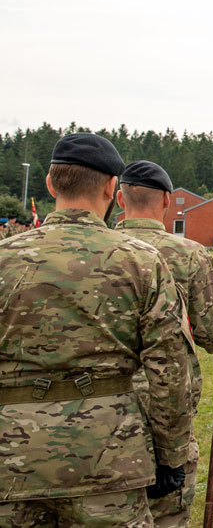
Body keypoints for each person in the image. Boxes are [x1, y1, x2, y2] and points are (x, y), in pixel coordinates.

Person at [0, 134, 196, 526]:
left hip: (12, 458)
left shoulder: (5, 259)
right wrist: (171, 455)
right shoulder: (141, 262)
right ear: (111, 187)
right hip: (108, 457)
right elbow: (170, 372)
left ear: (51, 184)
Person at [115, 160, 213, 528]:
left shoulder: (100, 250)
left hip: (99, 409)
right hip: (165, 406)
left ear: (119, 198)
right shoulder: (188, 254)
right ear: (168, 201)